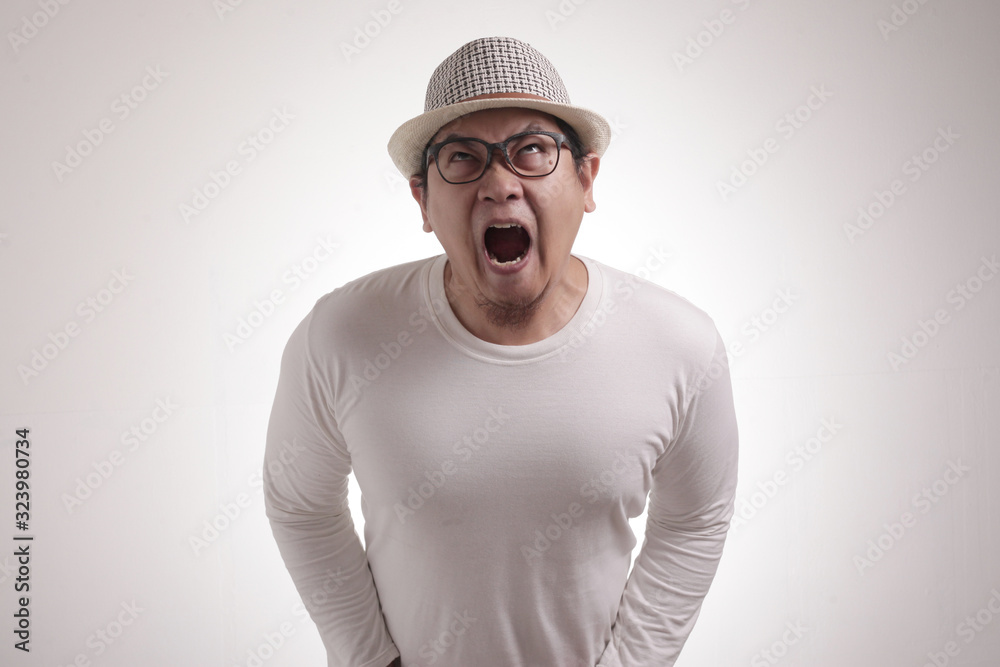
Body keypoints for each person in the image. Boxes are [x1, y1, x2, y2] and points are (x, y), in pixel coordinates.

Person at [264, 36, 739, 667]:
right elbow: (298, 504)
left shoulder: (680, 344)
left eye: (533, 151)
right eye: (462, 158)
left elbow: (695, 518)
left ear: (587, 179)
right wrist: (368, 658)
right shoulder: (340, 334)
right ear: (422, 201)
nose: (499, 184)